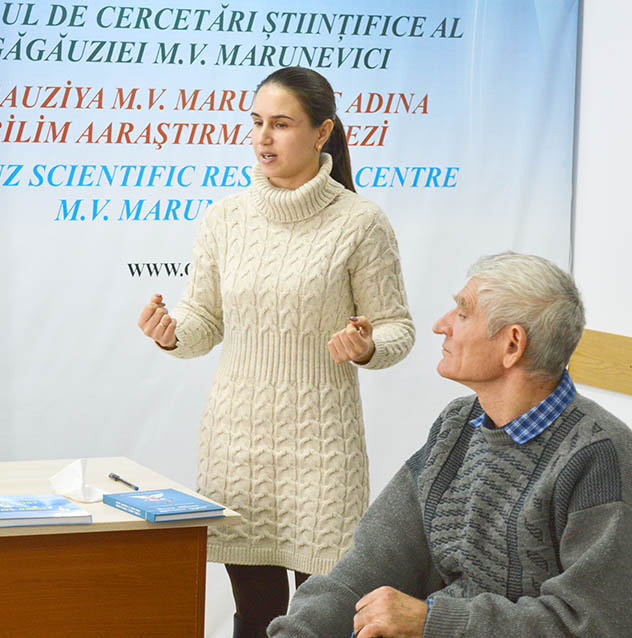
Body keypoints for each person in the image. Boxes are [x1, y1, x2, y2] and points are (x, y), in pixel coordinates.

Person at [137, 67, 415, 636]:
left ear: (322, 132)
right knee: (255, 610)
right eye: (257, 122)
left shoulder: (360, 222)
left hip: (323, 448)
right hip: (236, 443)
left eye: (281, 124)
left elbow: (398, 329)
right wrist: (172, 333)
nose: (263, 137)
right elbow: (204, 319)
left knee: (323, 613)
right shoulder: (225, 218)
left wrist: (367, 346)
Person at [268, 252, 632, 638]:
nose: (441, 326)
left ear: (512, 345)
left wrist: (433, 621)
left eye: (462, 314)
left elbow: (595, 624)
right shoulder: (458, 425)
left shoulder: (600, 456)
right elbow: (370, 563)